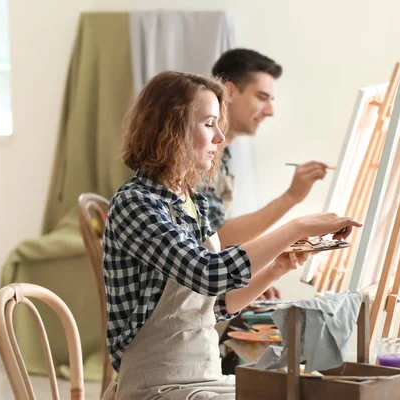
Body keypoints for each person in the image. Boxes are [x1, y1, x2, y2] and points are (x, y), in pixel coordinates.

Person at [102, 71, 361, 400]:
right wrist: (297, 226)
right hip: (157, 386)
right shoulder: (135, 203)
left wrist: (276, 268)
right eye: (209, 124)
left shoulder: (190, 200)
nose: (220, 138)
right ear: (172, 128)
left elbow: (216, 305)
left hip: (206, 375)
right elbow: (210, 273)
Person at [202, 49, 331, 300]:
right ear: (228, 91)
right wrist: (291, 198)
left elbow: (217, 244)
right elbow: (217, 236)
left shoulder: (223, 156)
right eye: (262, 97)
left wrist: (251, 281)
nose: (270, 111)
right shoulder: (199, 155)